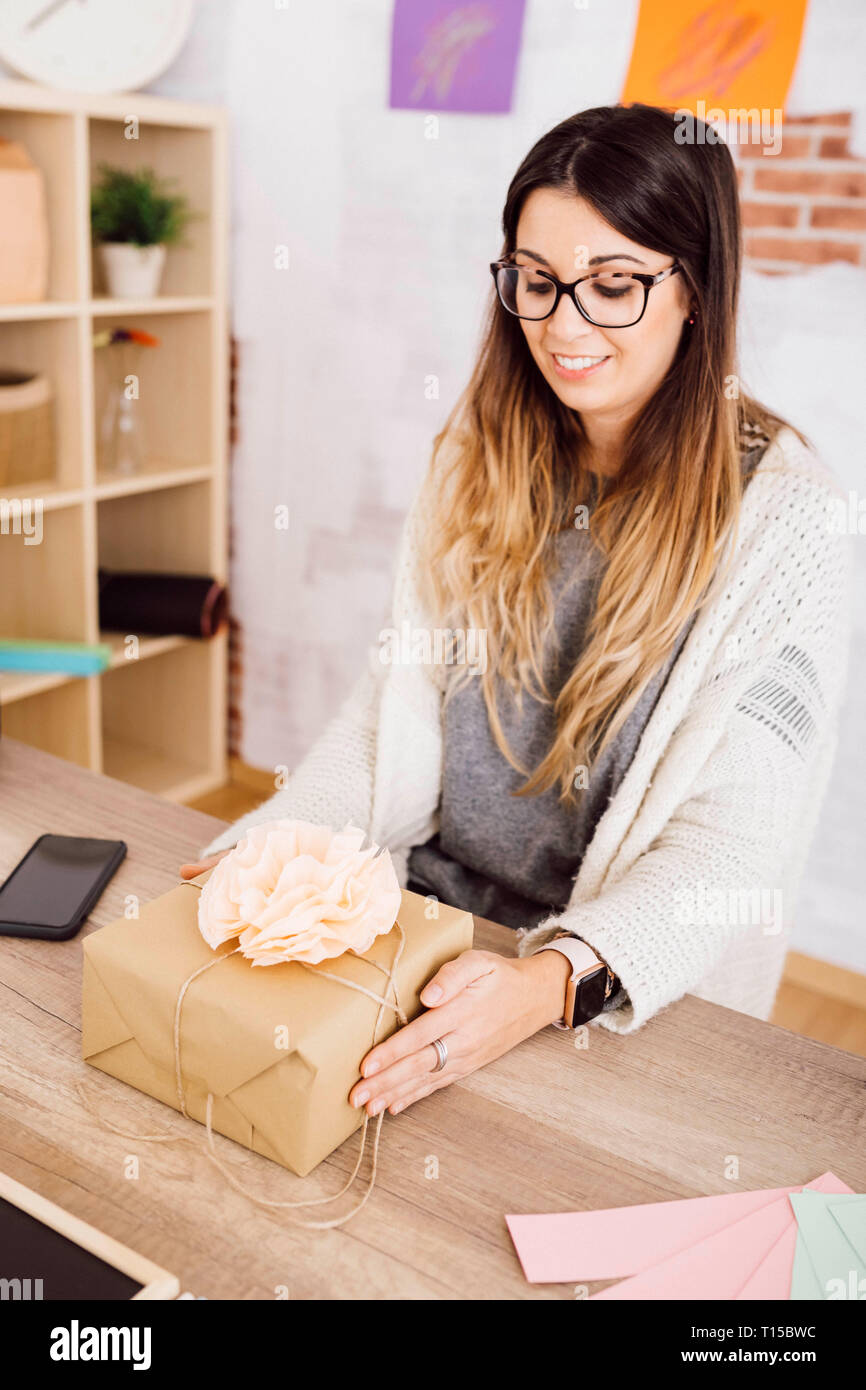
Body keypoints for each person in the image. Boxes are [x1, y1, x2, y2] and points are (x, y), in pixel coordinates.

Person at [181, 104, 849, 1122]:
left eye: (614, 285)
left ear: (696, 288)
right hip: (423, 923)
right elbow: (385, 712)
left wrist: (545, 983)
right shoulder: (472, 461)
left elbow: (730, 846)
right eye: (535, 282)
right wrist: (272, 845)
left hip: (606, 982)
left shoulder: (787, 522)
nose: (563, 326)